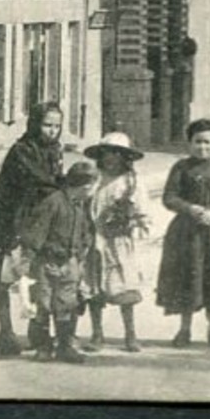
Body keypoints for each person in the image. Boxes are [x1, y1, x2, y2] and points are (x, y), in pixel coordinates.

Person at [0, 101, 65, 356]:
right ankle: (5, 331)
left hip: (38, 216)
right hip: (8, 217)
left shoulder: (54, 149)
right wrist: (64, 186)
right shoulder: (22, 150)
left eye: (56, 126)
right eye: (47, 125)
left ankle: (36, 329)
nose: (52, 131)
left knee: (39, 274)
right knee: (2, 276)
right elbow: (39, 180)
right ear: (34, 124)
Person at [156, 118, 210, 348]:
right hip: (186, 234)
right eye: (197, 142)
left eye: (207, 143)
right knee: (187, 281)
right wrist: (189, 208)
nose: (202, 147)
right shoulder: (180, 168)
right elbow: (169, 197)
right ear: (189, 143)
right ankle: (184, 329)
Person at [18, 160, 98, 364]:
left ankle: (65, 346)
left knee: (67, 304)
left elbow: (86, 230)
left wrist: (82, 252)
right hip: (46, 262)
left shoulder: (80, 205)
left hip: (69, 262)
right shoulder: (53, 202)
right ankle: (44, 346)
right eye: (92, 186)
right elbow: (36, 232)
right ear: (84, 186)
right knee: (43, 305)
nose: (92, 191)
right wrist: (27, 259)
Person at [82, 132, 151, 352]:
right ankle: (97, 334)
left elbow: (143, 215)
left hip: (119, 243)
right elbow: (82, 202)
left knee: (124, 288)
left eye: (117, 154)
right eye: (106, 153)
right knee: (93, 287)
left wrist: (129, 223)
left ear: (125, 158)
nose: (111, 158)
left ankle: (130, 334)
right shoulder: (95, 180)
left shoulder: (131, 183)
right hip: (93, 241)